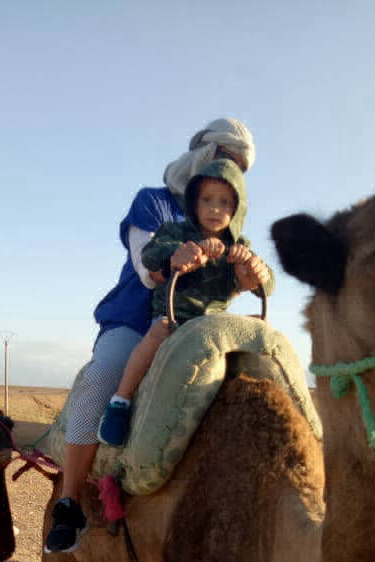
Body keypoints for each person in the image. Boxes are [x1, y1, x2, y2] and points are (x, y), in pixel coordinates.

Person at [45, 117, 257, 554]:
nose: (227, 172)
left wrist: (246, 276)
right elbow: (147, 271)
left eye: (238, 168)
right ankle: (68, 505)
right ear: (203, 155)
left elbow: (226, 290)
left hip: (196, 328)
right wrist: (182, 257)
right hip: (136, 321)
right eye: (224, 159)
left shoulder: (229, 222)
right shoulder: (155, 203)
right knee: (102, 380)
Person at [97, 157, 274, 447]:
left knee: (258, 331)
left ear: (237, 209)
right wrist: (184, 253)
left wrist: (256, 272)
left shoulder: (239, 247)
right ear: (194, 203)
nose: (216, 209)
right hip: (175, 317)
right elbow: (151, 256)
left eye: (225, 202)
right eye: (207, 200)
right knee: (160, 331)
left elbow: (268, 284)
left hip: (213, 325)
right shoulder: (174, 233)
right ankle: (121, 401)